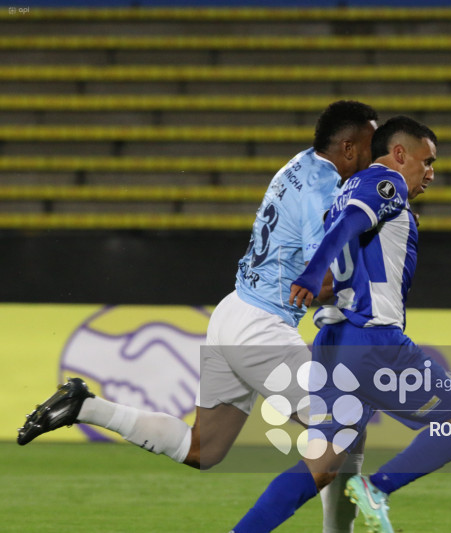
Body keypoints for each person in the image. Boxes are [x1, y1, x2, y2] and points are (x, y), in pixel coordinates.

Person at [17, 100, 379, 533]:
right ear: (350, 147)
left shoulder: (298, 165)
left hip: (234, 313)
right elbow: (314, 282)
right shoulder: (323, 193)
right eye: (373, 146)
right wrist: (370, 284)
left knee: (202, 449)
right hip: (260, 327)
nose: (377, 157)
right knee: (343, 426)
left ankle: (86, 406)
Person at [230, 116, 451, 533]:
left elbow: (349, 227)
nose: (431, 173)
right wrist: (313, 273)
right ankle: (377, 488)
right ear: (400, 154)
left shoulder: (344, 188)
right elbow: (351, 223)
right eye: (427, 160)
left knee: (322, 464)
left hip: (332, 343)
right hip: (372, 340)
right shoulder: (387, 183)